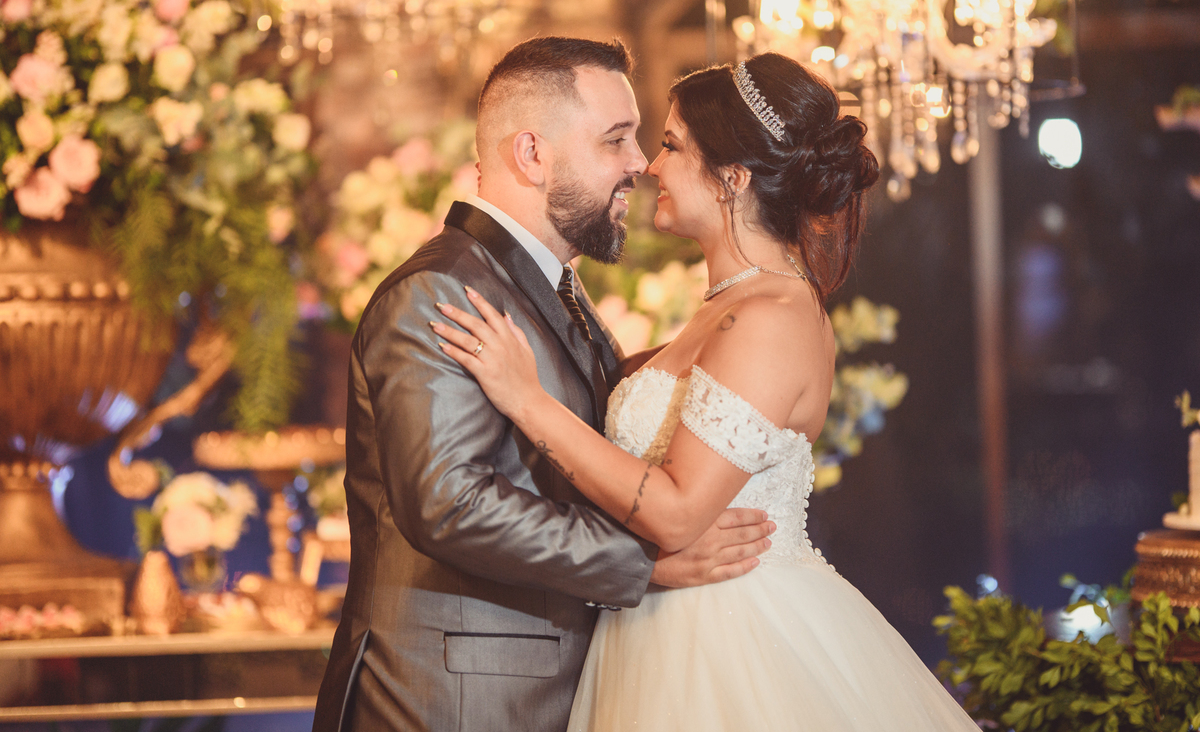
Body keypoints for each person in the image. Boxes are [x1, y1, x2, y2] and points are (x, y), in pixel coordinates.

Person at [433, 52, 982, 731]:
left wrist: (528, 401)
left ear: (733, 176)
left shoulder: (772, 317)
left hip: (733, 639)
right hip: (659, 628)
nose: (649, 167)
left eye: (670, 145)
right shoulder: (727, 308)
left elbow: (676, 513)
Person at [311, 37, 775, 732]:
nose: (639, 163)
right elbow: (449, 503)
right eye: (615, 139)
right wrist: (644, 563)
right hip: (449, 701)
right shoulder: (442, 291)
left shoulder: (552, 290)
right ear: (532, 154)